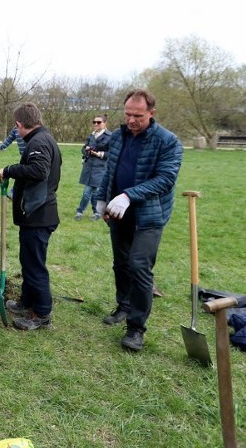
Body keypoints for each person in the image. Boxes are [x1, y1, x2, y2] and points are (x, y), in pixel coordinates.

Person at [95, 89, 183, 352]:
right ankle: (123, 306)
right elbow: (110, 170)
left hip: (150, 216)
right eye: (128, 114)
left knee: (139, 267)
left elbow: (166, 179)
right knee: (121, 263)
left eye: (138, 115)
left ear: (151, 113)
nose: (132, 120)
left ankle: (136, 329)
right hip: (119, 213)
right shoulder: (119, 136)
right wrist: (102, 198)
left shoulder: (168, 141)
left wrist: (128, 195)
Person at [0, 103, 62, 331]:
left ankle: (42, 314)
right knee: (28, 261)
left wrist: (9, 170)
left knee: (35, 266)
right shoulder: (42, 138)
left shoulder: (38, 142)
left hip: (39, 215)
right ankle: (27, 301)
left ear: (18, 125)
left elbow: (39, 171)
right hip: (36, 214)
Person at [75, 115, 110, 220]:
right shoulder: (91, 135)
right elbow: (83, 148)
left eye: (98, 122)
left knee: (90, 192)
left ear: (104, 123)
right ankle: (95, 213)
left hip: (100, 168)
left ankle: (81, 212)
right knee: (92, 192)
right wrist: (86, 149)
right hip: (89, 166)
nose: (96, 124)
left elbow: (112, 153)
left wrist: (99, 154)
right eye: (94, 122)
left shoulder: (110, 136)